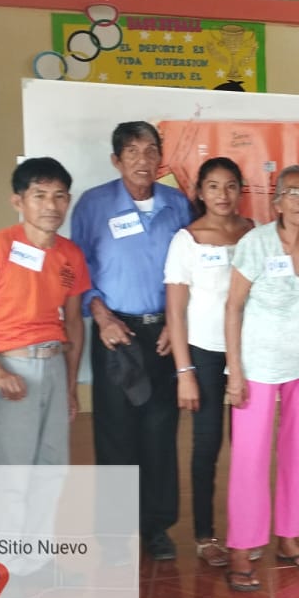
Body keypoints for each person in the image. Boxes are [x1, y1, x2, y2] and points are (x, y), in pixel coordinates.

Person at [0, 158, 90, 584]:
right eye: (39, 195)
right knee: (12, 475)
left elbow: (74, 323)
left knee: (51, 470)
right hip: (10, 367)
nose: (51, 205)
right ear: (18, 201)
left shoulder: (70, 254)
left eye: (59, 196)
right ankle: (3, 572)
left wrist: (70, 386)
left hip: (53, 366)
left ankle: (36, 562)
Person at [71, 121, 193, 561]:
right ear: (116, 160)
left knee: (160, 431)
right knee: (116, 433)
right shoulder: (93, 204)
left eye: (151, 151)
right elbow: (77, 268)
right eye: (133, 152)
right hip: (114, 332)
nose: (143, 160)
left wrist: (175, 324)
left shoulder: (178, 205)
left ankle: (156, 528)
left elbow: (191, 269)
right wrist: (101, 316)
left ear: (161, 158)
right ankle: (114, 535)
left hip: (165, 331)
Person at [222, 165, 299, 591]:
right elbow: (233, 307)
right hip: (258, 368)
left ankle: (289, 537)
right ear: (276, 202)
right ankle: (241, 547)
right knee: (250, 459)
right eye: (293, 192)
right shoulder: (255, 243)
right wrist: (235, 372)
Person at [163, 157, 254, 569]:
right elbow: (175, 312)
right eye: (213, 186)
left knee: (248, 448)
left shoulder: (253, 232)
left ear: (240, 190)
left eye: (231, 185)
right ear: (200, 192)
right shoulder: (187, 240)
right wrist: (185, 372)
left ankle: (245, 532)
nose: (223, 194)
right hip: (204, 353)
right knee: (207, 444)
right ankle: (205, 535)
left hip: (248, 353)